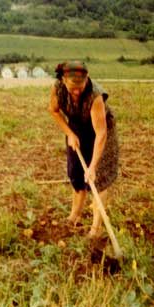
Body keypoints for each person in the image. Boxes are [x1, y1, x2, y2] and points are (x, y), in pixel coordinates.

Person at [49, 61, 119, 238]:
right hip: (76, 128)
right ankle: (75, 214)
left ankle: (96, 228)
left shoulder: (95, 96)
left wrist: (93, 166)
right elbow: (54, 111)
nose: (77, 91)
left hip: (102, 132)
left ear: (86, 79)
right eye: (73, 87)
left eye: (81, 86)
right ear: (64, 80)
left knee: (99, 178)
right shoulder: (57, 88)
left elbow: (101, 133)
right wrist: (70, 134)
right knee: (76, 172)